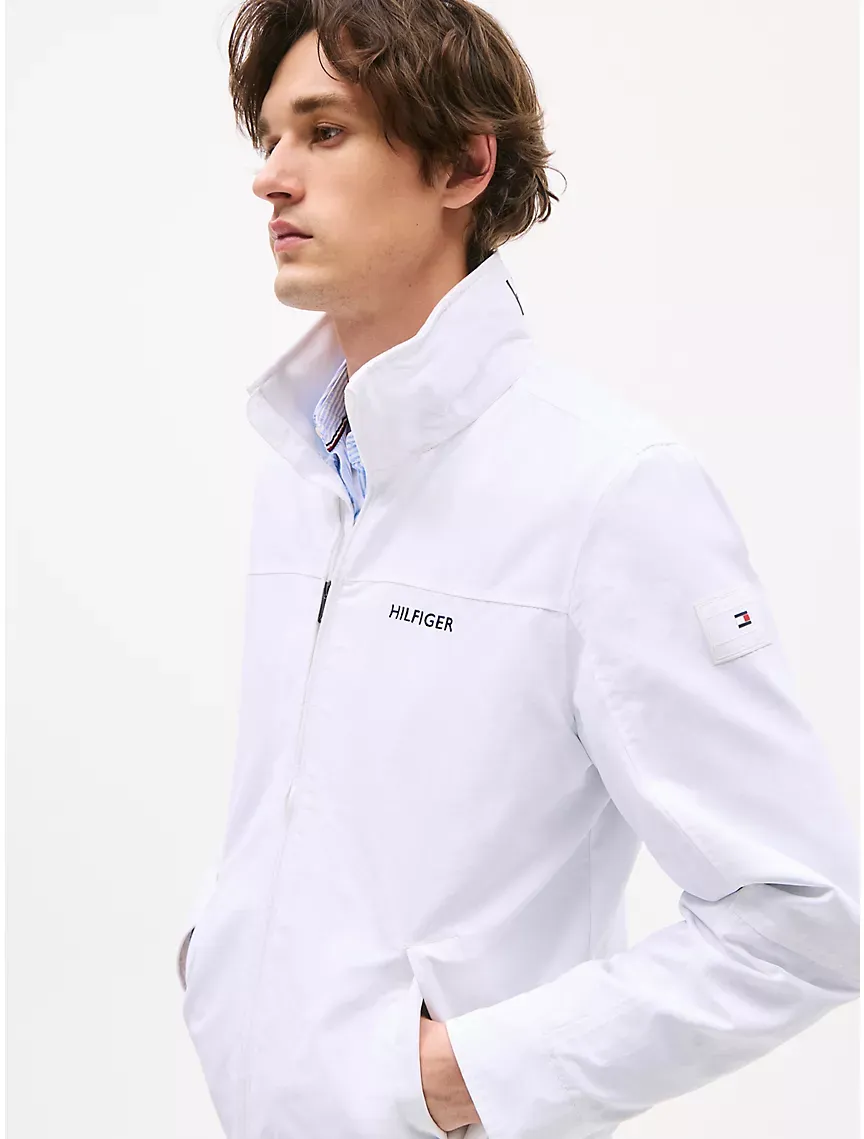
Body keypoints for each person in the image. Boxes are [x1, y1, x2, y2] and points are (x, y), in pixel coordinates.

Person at [176, 2, 860, 1138]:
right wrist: (221, 959)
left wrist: (462, 1074)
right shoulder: (303, 465)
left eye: (326, 132)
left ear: (462, 164)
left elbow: (803, 920)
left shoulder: (610, 488)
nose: (272, 177)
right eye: (271, 137)